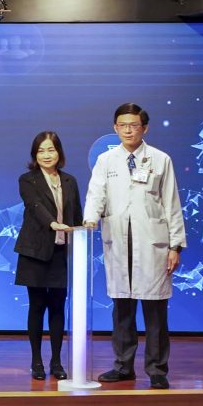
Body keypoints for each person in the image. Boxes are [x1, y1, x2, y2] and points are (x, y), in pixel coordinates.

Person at [84, 103, 186, 390]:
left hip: (152, 244)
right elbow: (96, 194)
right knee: (122, 311)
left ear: (145, 128)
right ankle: (123, 366)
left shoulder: (160, 159)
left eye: (134, 125)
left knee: (155, 314)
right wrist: (89, 220)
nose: (128, 130)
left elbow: (171, 203)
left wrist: (175, 246)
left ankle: (157, 369)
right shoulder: (106, 160)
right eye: (122, 125)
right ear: (115, 128)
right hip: (118, 242)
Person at [14, 131, 81, 381]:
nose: (46, 155)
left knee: (58, 307)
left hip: (61, 252)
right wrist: (53, 223)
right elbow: (35, 206)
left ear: (59, 152)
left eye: (50, 150)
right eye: (41, 151)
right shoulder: (27, 180)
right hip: (35, 252)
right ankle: (36, 361)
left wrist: (83, 227)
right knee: (37, 306)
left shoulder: (70, 181)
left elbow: (76, 214)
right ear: (35, 155)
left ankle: (56, 361)